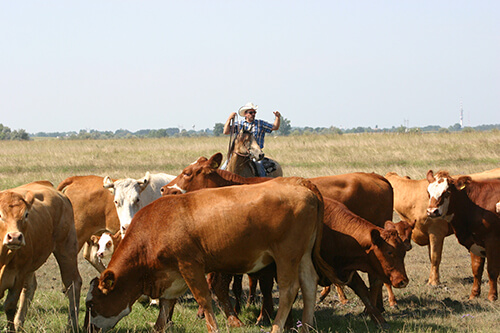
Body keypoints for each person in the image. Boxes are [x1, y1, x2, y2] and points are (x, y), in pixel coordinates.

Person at [223, 102, 281, 176]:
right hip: (241, 154)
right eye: (251, 113)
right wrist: (229, 119)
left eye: (254, 112)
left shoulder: (260, 123)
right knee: (224, 167)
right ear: (245, 114)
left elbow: (275, 127)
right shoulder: (239, 124)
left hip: (255, 153)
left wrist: (277, 117)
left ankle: (261, 182)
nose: (253, 114)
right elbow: (226, 131)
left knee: (260, 168)